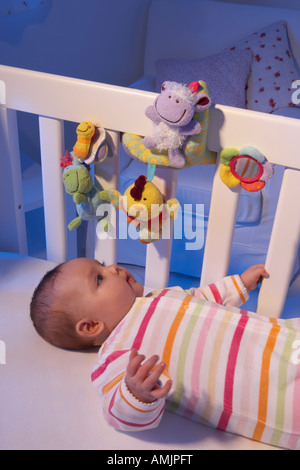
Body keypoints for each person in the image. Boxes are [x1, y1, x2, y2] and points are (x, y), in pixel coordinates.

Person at [30, 258, 300, 450]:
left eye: (102, 263)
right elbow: (116, 413)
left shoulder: (160, 296)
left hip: (281, 335)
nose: (113, 267)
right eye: (99, 278)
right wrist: (135, 393)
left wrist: (239, 284)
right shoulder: (118, 354)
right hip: (273, 391)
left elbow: (203, 296)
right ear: (91, 326)